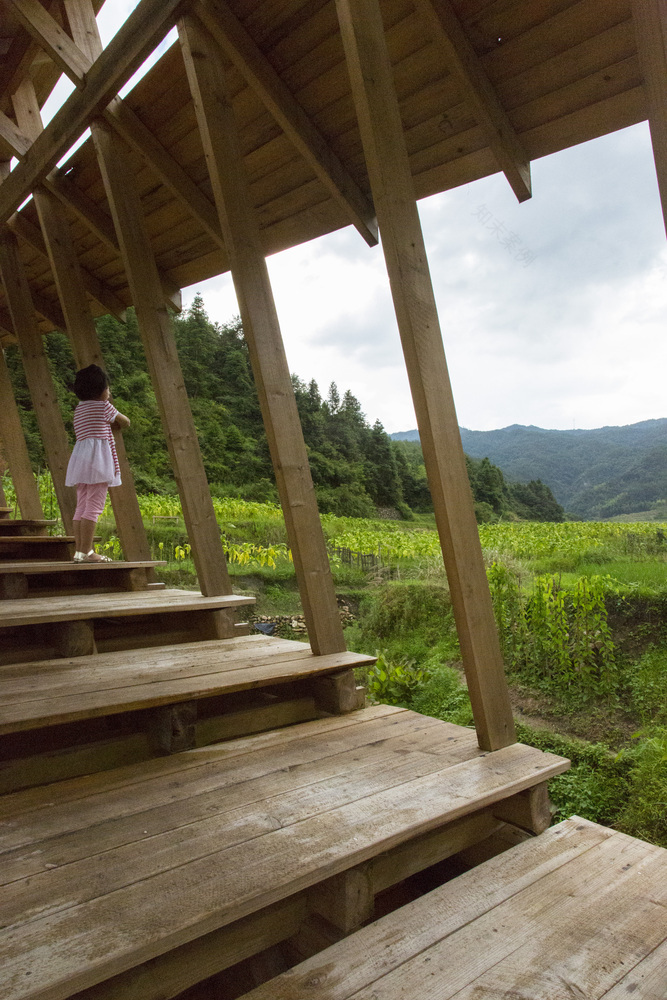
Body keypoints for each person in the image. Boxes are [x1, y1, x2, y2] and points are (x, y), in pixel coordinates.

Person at [65, 364, 130, 563]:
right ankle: (88, 553)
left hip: (81, 461)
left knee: (82, 505)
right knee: (94, 506)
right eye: (108, 388)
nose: (109, 393)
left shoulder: (80, 409)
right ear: (100, 390)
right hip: (98, 462)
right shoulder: (103, 406)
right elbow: (125, 422)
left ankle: (79, 551)